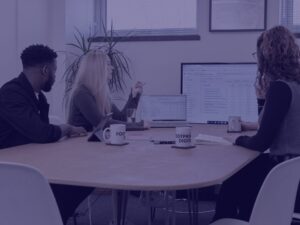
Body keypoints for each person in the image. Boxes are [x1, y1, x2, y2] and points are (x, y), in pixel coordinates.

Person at [212, 25, 300, 222]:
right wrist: (261, 102)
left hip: (285, 170)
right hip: (295, 167)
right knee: (247, 171)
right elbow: (277, 122)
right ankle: (240, 217)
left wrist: (239, 140)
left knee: (235, 173)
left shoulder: (280, 88)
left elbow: (262, 142)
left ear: (267, 55)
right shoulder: (295, 83)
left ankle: (226, 219)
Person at [0, 44, 92, 224]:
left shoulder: (36, 95)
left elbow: (41, 133)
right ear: (45, 70)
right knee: (79, 183)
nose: (55, 76)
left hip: (27, 161)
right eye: (54, 71)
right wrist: (67, 128)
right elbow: (41, 133)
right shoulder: (11, 93)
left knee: (83, 178)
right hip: (9, 170)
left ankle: (50, 218)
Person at [67, 49, 143, 131]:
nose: (112, 68)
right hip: (77, 143)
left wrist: (134, 96)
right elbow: (102, 124)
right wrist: (139, 125)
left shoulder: (99, 94)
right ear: (97, 68)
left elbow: (121, 119)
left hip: (88, 142)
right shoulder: (81, 93)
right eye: (108, 64)